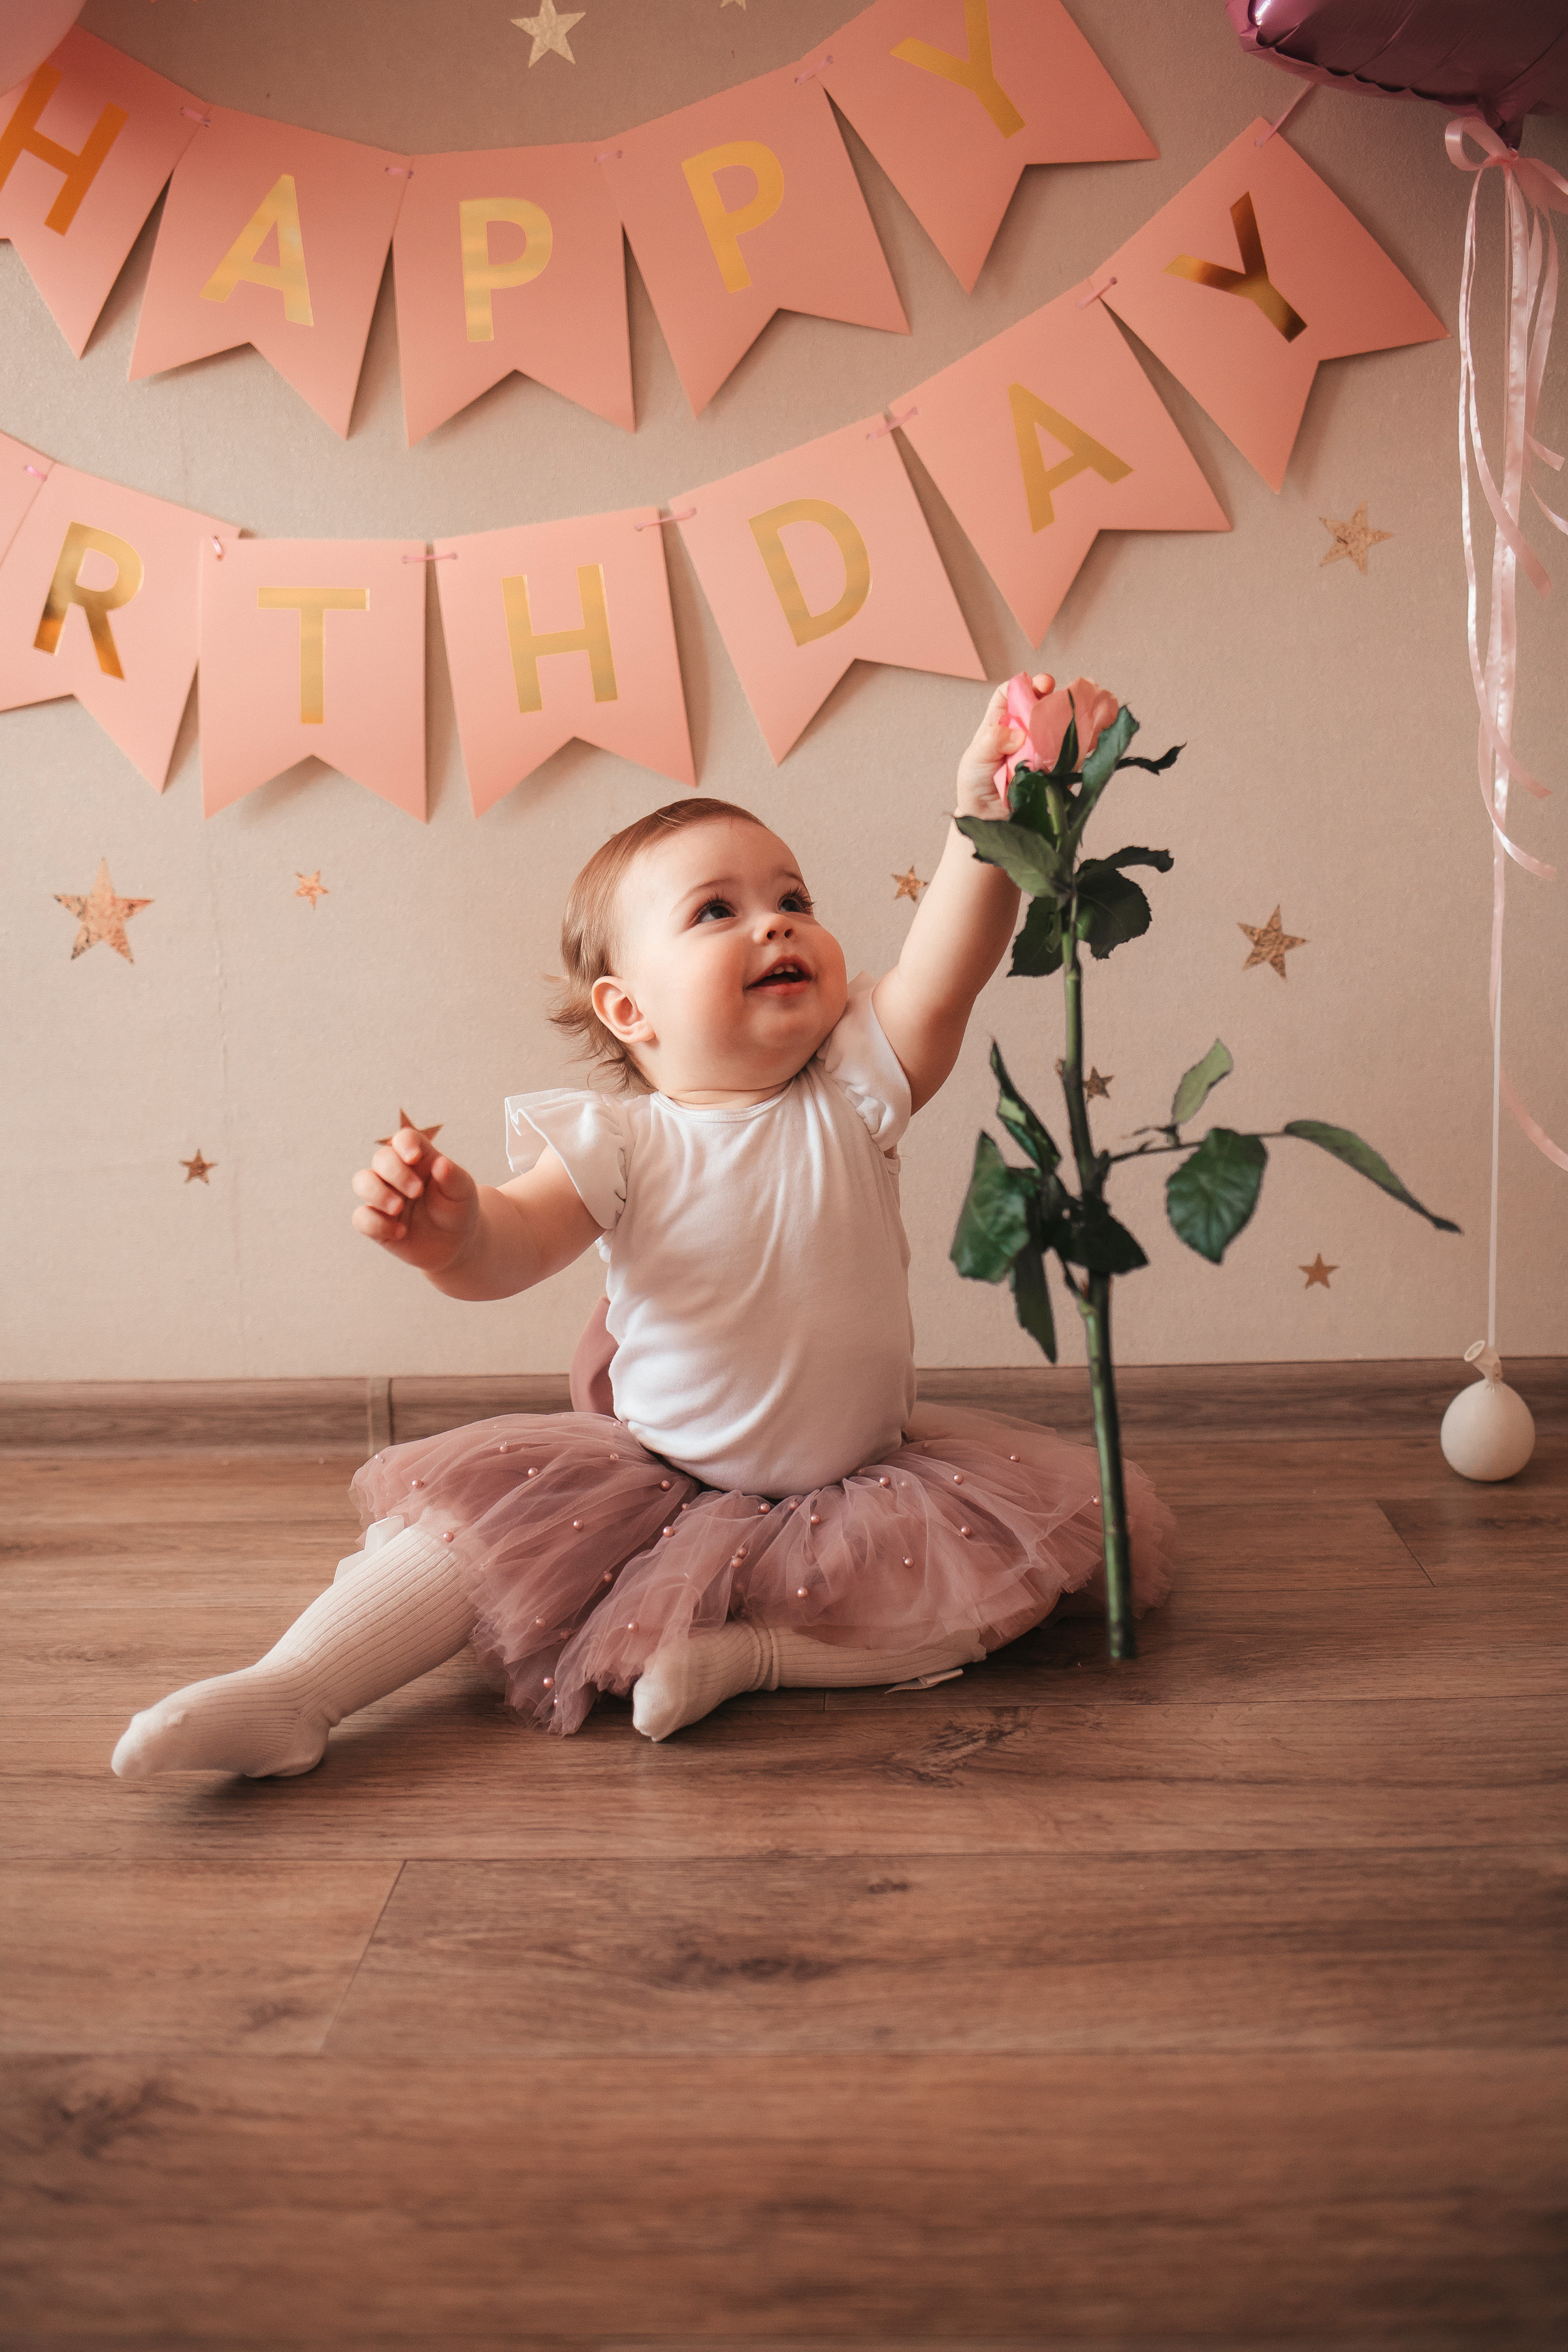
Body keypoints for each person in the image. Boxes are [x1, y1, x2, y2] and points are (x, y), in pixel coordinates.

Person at [111, 681, 1174, 1780]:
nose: (775, 921)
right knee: (462, 1549)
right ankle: (292, 1689)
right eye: (715, 911)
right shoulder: (620, 1142)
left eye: (793, 896)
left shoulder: (857, 1085)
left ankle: (756, 1658)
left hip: (859, 1482)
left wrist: (989, 803)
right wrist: (449, 1231)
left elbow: (954, 957)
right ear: (630, 1011)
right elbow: (512, 1247)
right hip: (655, 1476)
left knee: (987, 1593)